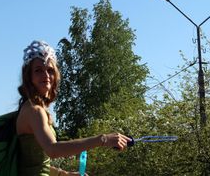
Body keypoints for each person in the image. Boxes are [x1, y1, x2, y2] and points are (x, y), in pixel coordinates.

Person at [16, 40, 131, 175]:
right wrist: (103, 139)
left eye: (50, 70)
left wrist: (64, 174)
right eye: (38, 70)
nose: (46, 75)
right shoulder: (34, 111)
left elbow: (34, 164)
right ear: (29, 77)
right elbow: (53, 150)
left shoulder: (33, 108)